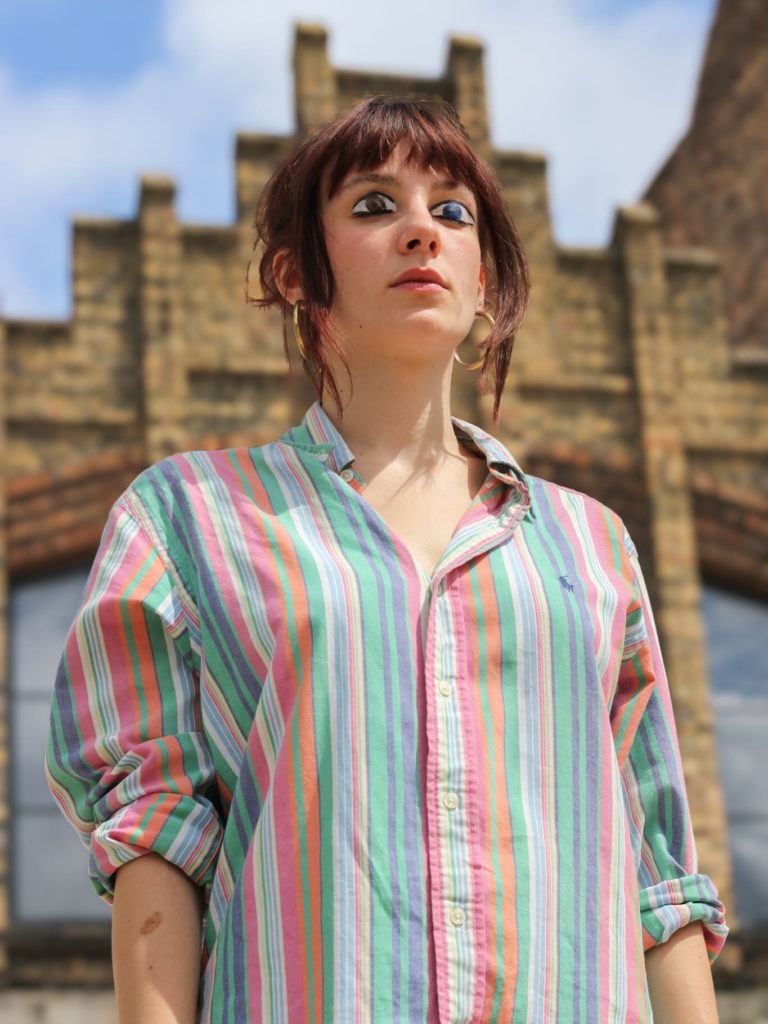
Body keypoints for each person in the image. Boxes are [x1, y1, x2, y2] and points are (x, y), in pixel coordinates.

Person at [46, 96, 728, 1023]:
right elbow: (157, 833)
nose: (421, 231)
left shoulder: (591, 545)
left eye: (453, 212)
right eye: (374, 205)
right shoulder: (187, 518)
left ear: (484, 280)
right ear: (294, 272)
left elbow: (658, 876)